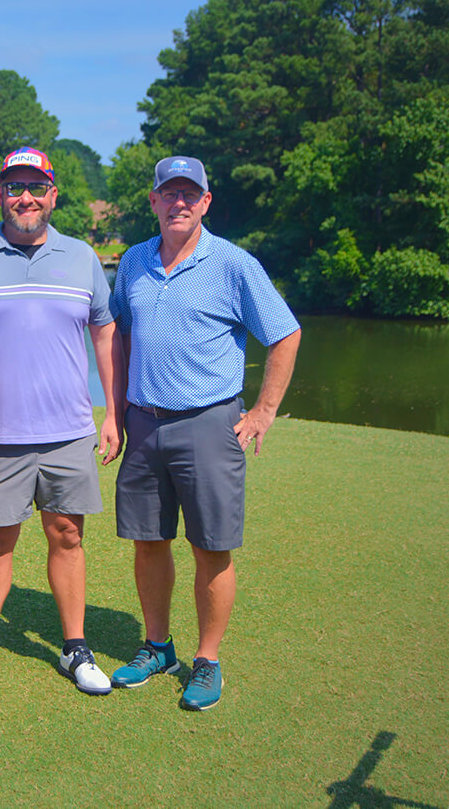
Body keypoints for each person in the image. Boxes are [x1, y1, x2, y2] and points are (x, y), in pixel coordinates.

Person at [109, 155, 301, 710]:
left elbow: (284, 334)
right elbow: (120, 334)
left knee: (211, 547)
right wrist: (117, 411)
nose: (179, 202)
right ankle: (157, 646)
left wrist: (264, 410)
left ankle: (208, 659)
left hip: (209, 423)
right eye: (169, 193)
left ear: (206, 202)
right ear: (153, 201)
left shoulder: (235, 264)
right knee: (148, 541)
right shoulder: (134, 261)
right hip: (144, 423)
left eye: (189, 194)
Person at [0, 147, 120, 705]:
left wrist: (112, 411)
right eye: (15, 187)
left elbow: (105, 333)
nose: (26, 198)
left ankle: (75, 647)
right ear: (0, 194)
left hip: (69, 430)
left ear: (53, 195)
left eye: (36, 188)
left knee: (67, 535)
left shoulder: (82, 256)